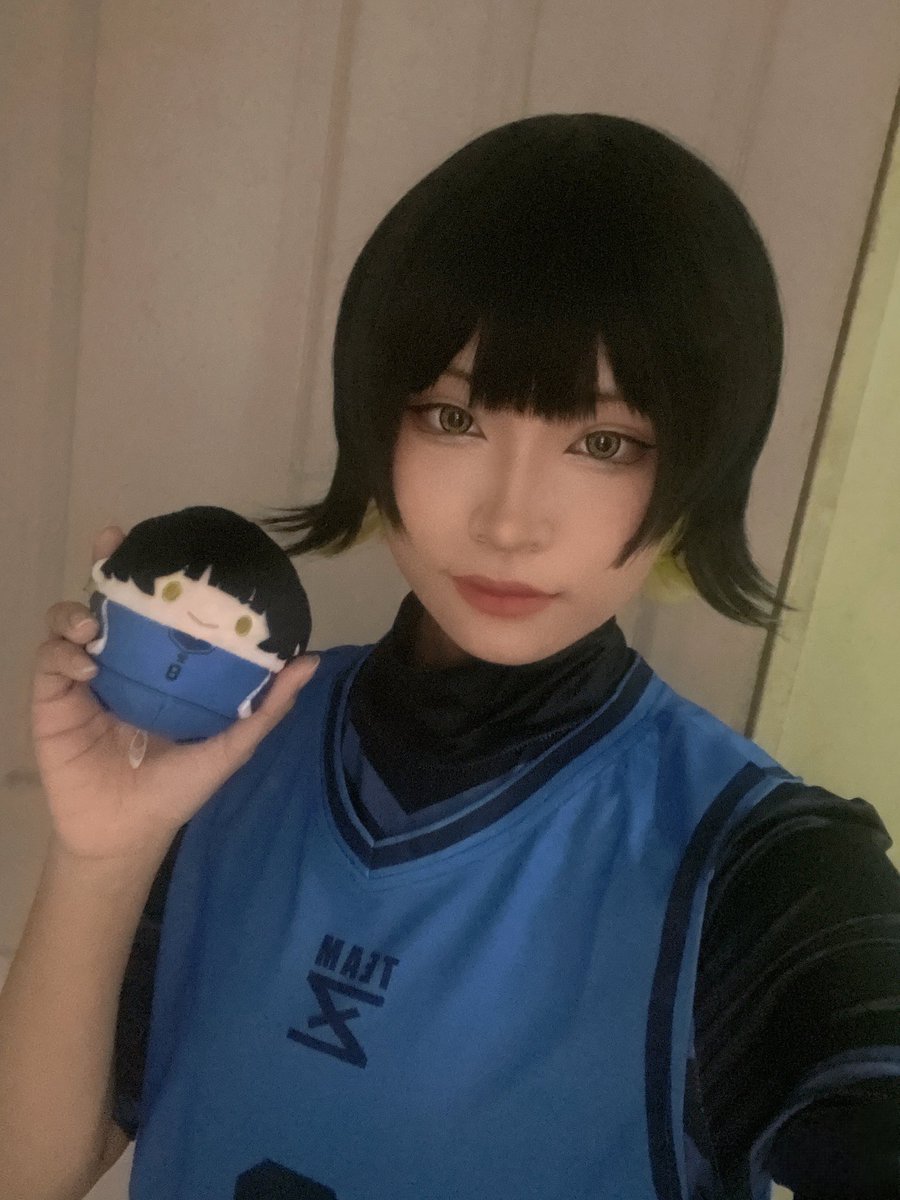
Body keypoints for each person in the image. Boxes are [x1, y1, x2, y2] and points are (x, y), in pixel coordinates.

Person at [1, 113, 898, 1200]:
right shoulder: (232, 742)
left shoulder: (761, 869)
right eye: (452, 417)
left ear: (699, 473)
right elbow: (30, 1173)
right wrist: (102, 853)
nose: (510, 521)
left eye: (604, 442)